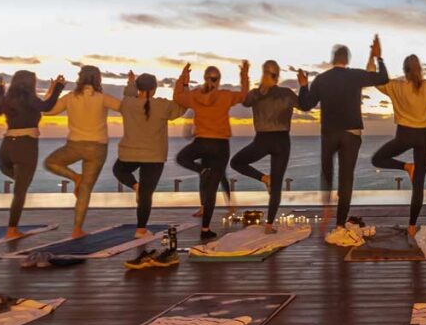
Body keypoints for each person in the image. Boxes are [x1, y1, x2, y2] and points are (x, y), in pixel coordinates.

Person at [297, 35, 388, 231]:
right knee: (347, 178)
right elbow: (383, 78)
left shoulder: (321, 79)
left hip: (329, 133)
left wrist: (303, 85)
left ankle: (327, 206)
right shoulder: (355, 75)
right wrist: (378, 58)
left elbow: (305, 105)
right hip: (351, 133)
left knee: (327, 171)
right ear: (347, 60)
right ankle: (340, 223)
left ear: (332, 59)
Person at [371, 45, 426, 235]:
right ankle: (412, 225)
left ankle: (405, 167)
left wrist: (376, 57)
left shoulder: (395, 86)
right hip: (424, 136)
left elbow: (374, 78)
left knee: (377, 159)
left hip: (404, 135)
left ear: (404, 70)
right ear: (419, 69)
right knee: (418, 183)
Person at [174, 61, 249, 240]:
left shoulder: (195, 95)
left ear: (205, 78)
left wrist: (183, 79)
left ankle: (202, 170)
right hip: (220, 146)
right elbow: (244, 95)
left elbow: (177, 97)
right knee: (212, 190)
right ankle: (205, 229)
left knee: (182, 158)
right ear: (219, 79)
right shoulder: (225, 96)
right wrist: (244, 74)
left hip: (202, 143)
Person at [44, 65, 122, 238]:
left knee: (50, 162)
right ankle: (77, 229)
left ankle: (74, 177)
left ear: (80, 78)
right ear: (98, 79)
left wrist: (52, 90)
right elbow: (126, 108)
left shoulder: (70, 97)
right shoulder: (103, 98)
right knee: (85, 189)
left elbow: (47, 110)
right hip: (98, 148)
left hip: (74, 146)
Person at [0, 70, 65, 239]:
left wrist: (0, 93)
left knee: (12, 175)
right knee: (20, 191)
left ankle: (21, 184)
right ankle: (12, 229)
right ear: (30, 83)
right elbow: (46, 107)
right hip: (26, 146)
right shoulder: (28, 97)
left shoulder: (8, 98)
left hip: (7, 145)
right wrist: (59, 88)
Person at [112, 72, 187, 237]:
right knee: (146, 194)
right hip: (154, 156)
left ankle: (135, 186)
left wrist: (131, 82)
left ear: (138, 88)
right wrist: (184, 85)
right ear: (154, 89)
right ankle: (140, 230)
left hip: (129, 153)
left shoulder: (127, 103)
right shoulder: (163, 105)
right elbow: (182, 107)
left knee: (118, 170)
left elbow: (128, 94)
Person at [230, 60, 299, 233]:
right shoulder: (286, 93)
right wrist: (304, 86)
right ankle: (269, 225)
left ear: (264, 74)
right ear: (278, 75)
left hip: (263, 140)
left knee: (236, 162)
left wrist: (244, 77)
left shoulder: (257, 93)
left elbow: (244, 102)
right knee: (276, 185)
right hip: (282, 141)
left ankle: (264, 179)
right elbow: (305, 105)